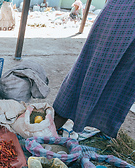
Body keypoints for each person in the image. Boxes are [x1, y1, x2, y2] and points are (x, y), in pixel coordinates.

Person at [53, 0, 135, 138]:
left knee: (125, 77)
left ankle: (105, 126)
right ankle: (59, 118)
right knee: (95, 64)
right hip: (123, 10)